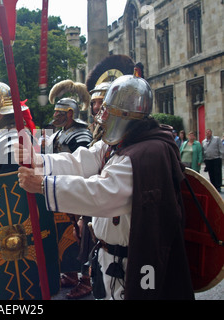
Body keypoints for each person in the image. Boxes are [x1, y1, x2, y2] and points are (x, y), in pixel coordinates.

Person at [15, 70, 195, 300]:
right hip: (109, 258)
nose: (102, 115)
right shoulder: (121, 142)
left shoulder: (146, 152)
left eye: (107, 109)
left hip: (135, 262)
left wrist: (43, 186)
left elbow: (101, 194)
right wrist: (38, 160)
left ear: (125, 114)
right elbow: (82, 160)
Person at [46, 79, 93, 299]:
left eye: (59, 113)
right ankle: (72, 274)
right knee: (65, 235)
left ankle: (86, 279)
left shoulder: (81, 134)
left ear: (71, 114)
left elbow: (83, 164)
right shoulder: (58, 134)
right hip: (60, 190)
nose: (55, 116)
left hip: (77, 190)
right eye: (55, 112)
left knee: (82, 236)